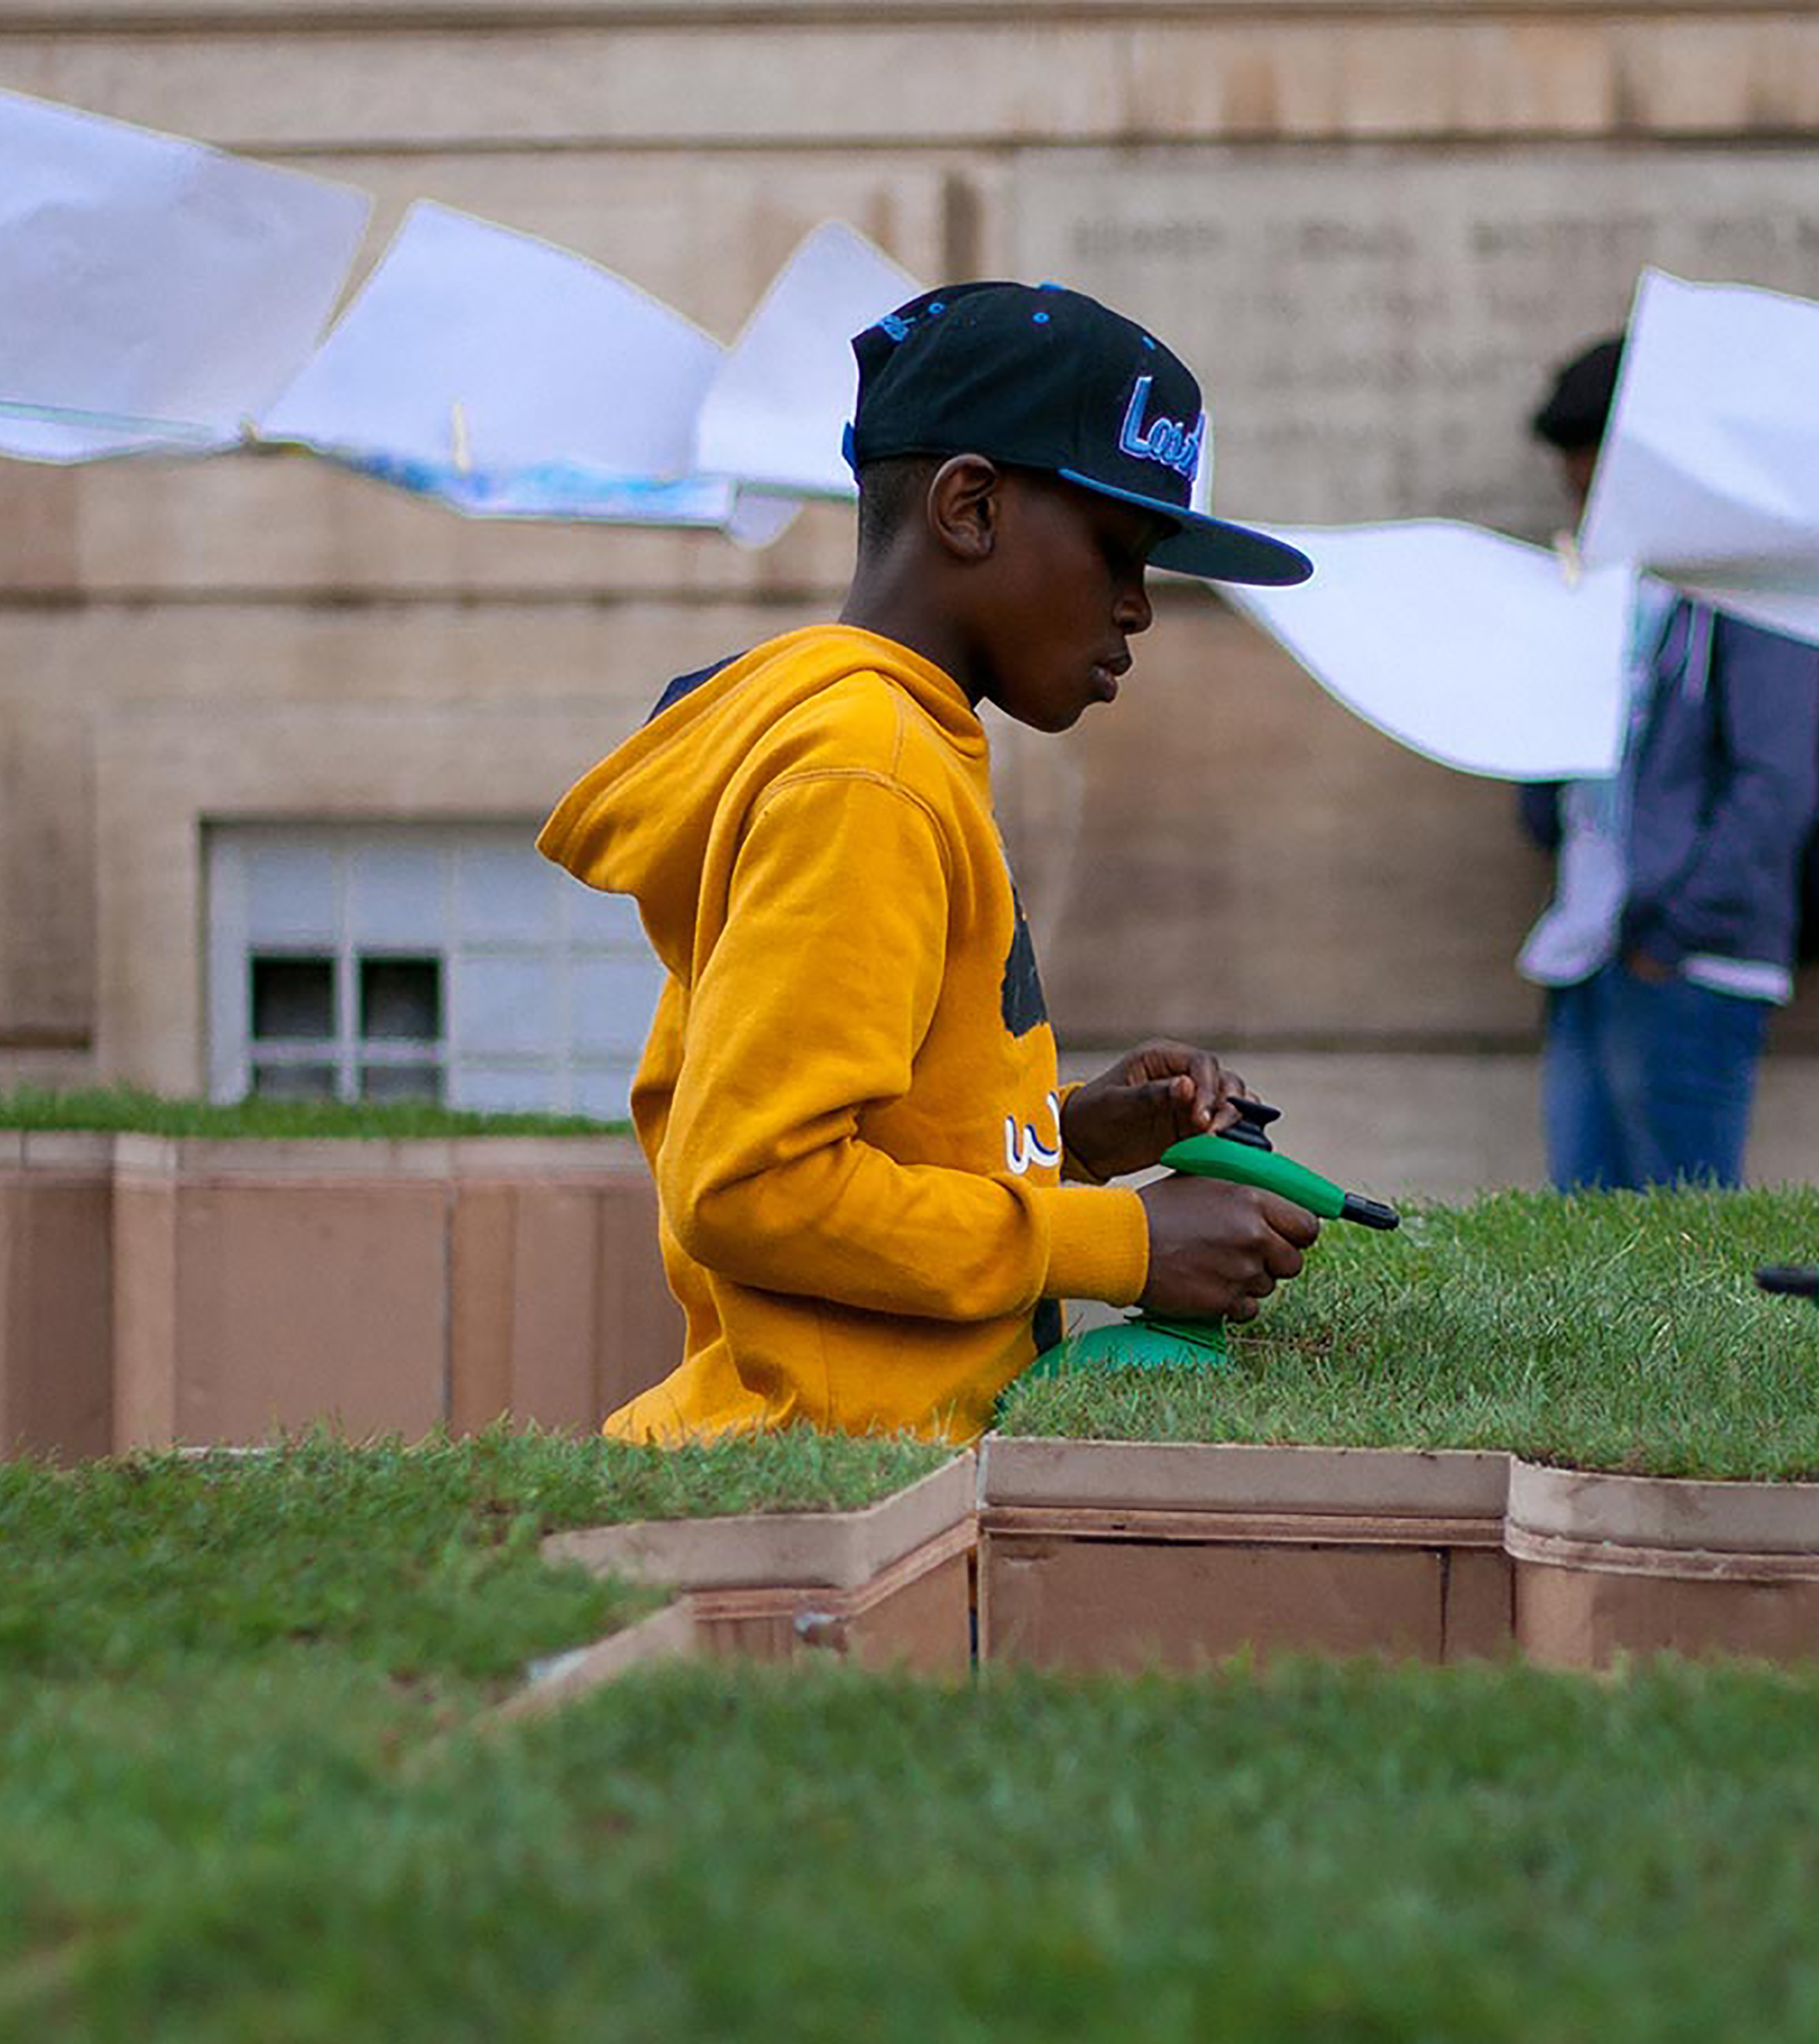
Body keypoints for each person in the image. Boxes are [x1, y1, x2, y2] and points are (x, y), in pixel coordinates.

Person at [539, 281, 1323, 1441]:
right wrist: (1127, 1247)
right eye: (1117, 550)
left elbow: (877, 1140)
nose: (1139, 609)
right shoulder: (869, 766)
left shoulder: (899, 741)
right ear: (969, 506)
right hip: (823, 1491)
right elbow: (755, 1186)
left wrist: (1069, 1137)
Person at [1513, 335, 1819, 1191]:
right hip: (1586, 950)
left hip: (1684, 963)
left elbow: (1776, 786)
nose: (1577, 487)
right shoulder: (1606, 587)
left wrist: (1671, 938)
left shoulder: (1752, 586)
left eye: (1591, 462)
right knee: (1583, 1238)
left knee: (1678, 1238)